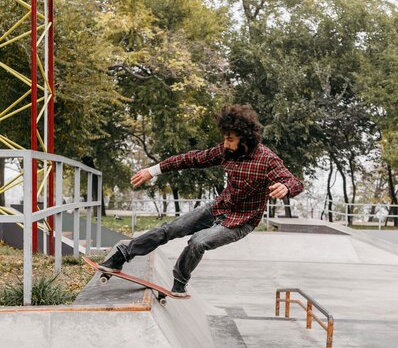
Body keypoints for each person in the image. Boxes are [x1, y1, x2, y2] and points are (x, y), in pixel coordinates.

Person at [99, 104, 304, 296]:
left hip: (241, 222)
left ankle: (179, 284)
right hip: (217, 208)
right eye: (225, 138)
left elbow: (294, 181)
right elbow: (191, 159)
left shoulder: (267, 159)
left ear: (245, 138)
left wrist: (285, 187)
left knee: (198, 242)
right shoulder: (225, 152)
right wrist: (152, 171)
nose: (225, 144)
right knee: (169, 229)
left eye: (230, 140)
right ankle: (122, 256)